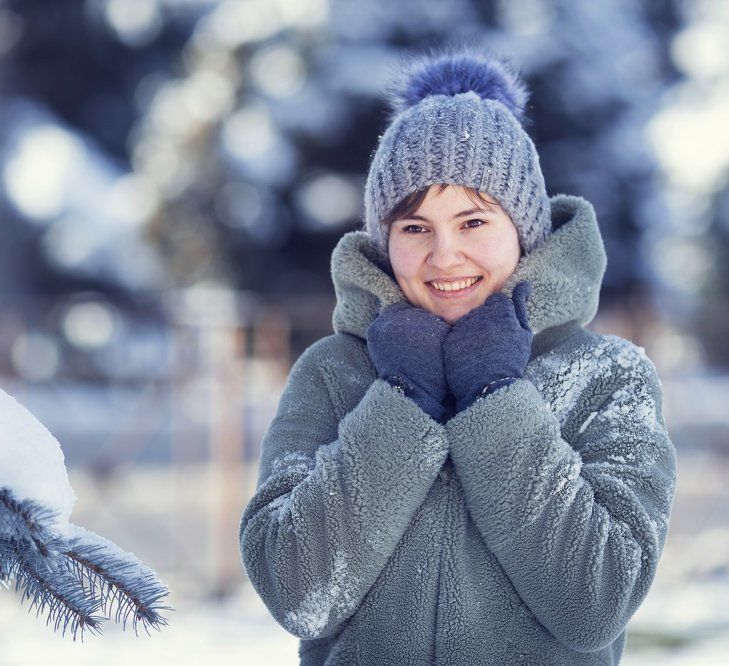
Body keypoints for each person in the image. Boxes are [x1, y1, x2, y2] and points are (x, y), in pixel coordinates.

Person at [239, 47, 677, 665]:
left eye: (473, 223)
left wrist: (496, 399)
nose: (444, 256)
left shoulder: (609, 377)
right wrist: (399, 403)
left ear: (524, 229)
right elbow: (299, 596)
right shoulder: (332, 373)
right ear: (385, 241)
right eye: (415, 228)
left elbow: (596, 602)